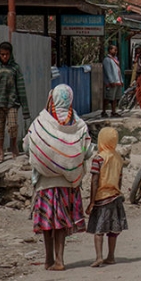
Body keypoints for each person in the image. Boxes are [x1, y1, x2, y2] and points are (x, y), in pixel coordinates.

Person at [24, 84, 91, 271]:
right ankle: (60, 260)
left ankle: (48, 260)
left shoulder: (41, 122)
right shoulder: (78, 124)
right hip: (66, 183)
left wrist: (45, 157)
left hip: (45, 183)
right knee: (60, 222)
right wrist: (67, 158)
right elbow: (85, 151)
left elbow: (27, 147)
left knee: (47, 222)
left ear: (51, 98)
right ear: (70, 99)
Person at [86, 127, 128, 268]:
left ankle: (99, 257)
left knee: (99, 230)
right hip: (115, 197)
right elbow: (120, 179)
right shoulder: (118, 158)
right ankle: (111, 256)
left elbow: (95, 181)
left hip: (102, 198)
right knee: (112, 230)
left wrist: (91, 201)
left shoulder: (98, 158)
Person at [102, 44, 123, 118]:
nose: (116, 51)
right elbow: (108, 72)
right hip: (111, 82)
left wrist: (121, 80)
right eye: (114, 50)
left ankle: (113, 112)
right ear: (110, 50)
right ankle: (104, 111)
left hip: (117, 81)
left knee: (115, 98)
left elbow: (118, 71)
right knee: (108, 97)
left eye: (116, 50)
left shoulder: (115, 59)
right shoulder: (107, 60)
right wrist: (111, 81)